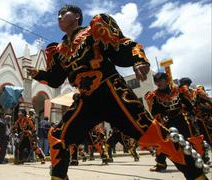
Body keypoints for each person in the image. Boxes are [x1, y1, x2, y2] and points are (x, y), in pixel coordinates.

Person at [27, 4, 208, 179]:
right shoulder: (58, 50)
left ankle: (196, 175)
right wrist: (37, 74)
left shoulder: (94, 30)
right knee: (59, 136)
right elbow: (56, 78)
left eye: (64, 13)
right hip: (86, 99)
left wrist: (138, 59)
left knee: (153, 134)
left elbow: (122, 45)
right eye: (58, 15)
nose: (59, 17)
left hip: (112, 92)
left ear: (76, 17)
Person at [145, 73, 206, 172]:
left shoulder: (178, 90)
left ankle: (199, 162)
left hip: (181, 119)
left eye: (160, 80)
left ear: (166, 80)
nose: (158, 83)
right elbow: (154, 111)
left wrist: (191, 113)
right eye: (156, 81)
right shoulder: (154, 95)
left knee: (189, 141)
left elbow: (187, 103)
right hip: (167, 122)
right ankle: (161, 164)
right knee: (163, 143)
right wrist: (161, 116)